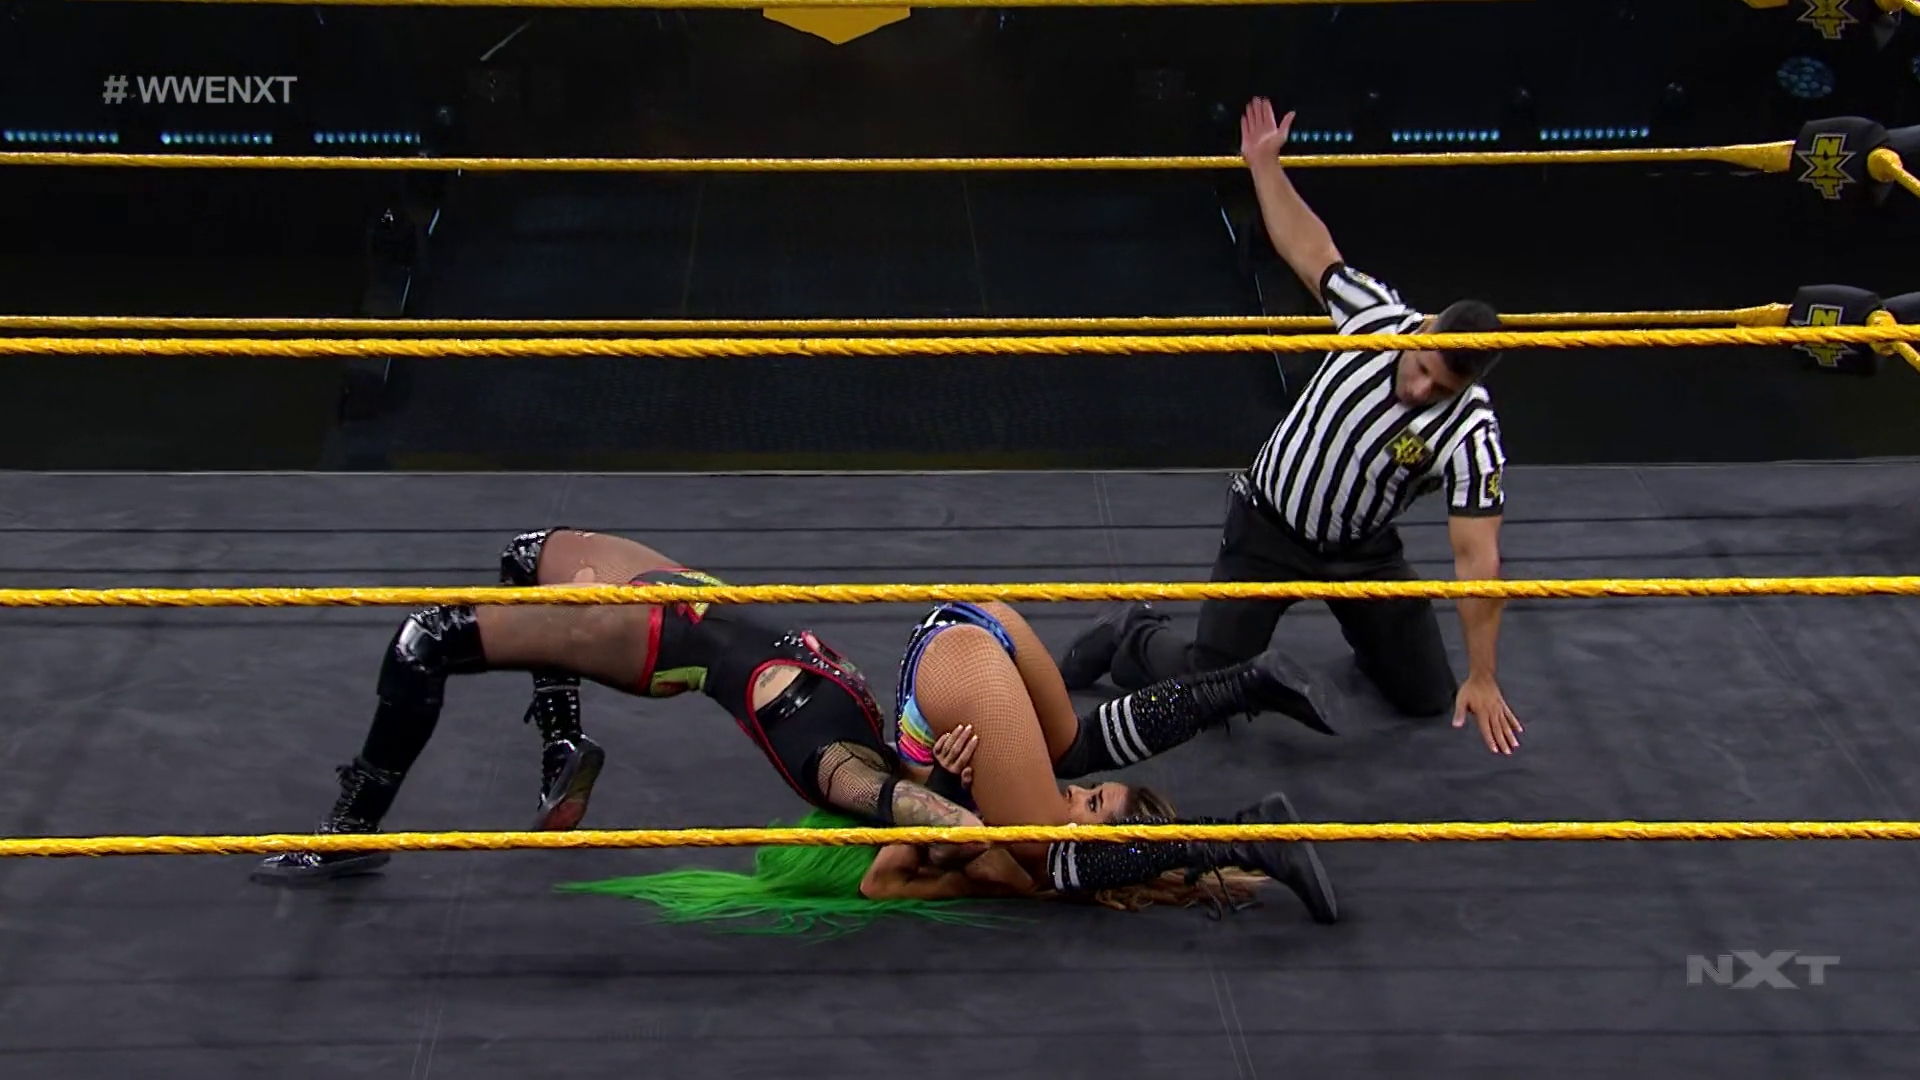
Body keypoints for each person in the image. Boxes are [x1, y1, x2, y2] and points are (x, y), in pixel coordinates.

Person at [249, 528, 1334, 918]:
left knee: (503, 574)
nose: (1081, 805)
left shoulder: (852, 761)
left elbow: (901, 816)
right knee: (1048, 824)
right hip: (688, 628)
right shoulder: (842, 763)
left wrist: (946, 805)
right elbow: (915, 816)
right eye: (1102, 809)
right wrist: (952, 811)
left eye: (1097, 810)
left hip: (919, 643)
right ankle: (499, 766)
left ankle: (1247, 731)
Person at [1059, 98, 1525, 756]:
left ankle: (1377, 639)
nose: (1421, 390)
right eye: (1422, 367)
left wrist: (1484, 675)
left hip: (1362, 553)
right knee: (1205, 686)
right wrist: (1264, 167)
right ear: (1424, 327)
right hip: (1269, 526)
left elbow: (1479, 561)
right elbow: (1311, 250)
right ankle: (1131, 633)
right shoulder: (1375, 316)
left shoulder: (1472, 432)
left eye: (1441, 389)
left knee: (1427, 696)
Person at [557, 728, 1274, 936]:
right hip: (853, 831)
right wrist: (941, 780)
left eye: (1090, 803)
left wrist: (948, 796)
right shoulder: (1032, 827)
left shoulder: (1018, 873)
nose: (1074, 790)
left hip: (841, 866)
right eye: (1092, 786)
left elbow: (885, 881)